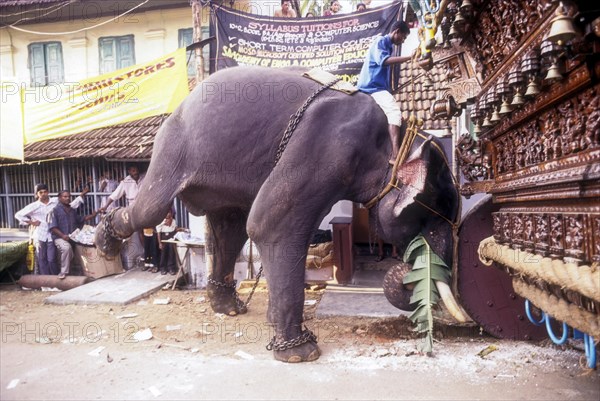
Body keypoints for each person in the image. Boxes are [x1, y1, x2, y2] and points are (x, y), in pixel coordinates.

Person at [357, 20, 413, 164]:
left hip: (378, 87)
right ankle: (396, 156)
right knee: (394, 112)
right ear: (397, 32)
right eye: (403, 37)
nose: (403, 40)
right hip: (372, 87)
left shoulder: (388, 47)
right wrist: (409, 58)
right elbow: (383, 61)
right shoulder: (380, 41)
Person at [14, 184, 88, 275]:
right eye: (41, 192)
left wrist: (81, 195)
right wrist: (31, 222)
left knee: (52, 259)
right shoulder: (34, 206)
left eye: (45, 191)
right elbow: (18, 215)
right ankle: (46, 282)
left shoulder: (55, 201)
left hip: (52, 234)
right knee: (42, 259)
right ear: (37, 194)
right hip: (41, 235)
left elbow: (70, 204)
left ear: (48, 192)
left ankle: (54, 279)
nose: (43, 194)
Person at [49, 190, 97, 279]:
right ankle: (63, 272)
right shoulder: (54, 210)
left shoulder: (72, 210)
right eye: (65, 196)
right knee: (66, 248)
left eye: (69, 196)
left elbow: (81, 219)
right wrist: (63, 236)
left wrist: (93, 215)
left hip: (72, 238)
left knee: (86, 246)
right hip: (59, 238)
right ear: (60, 198)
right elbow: (53, 228)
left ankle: (87, 272)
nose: (68, 198)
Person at [155, 210, 182, 275]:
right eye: (167, 217)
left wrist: (182, 229)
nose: (168, 219)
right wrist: (160, 243)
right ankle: (163, 268)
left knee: (171, 253)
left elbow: (175, 229)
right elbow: (158, 233)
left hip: (171, 238)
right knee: (163, 253)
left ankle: (171, 268)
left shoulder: (173, 221)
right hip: (163, 238)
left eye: (170, 217)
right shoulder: (161, 222)